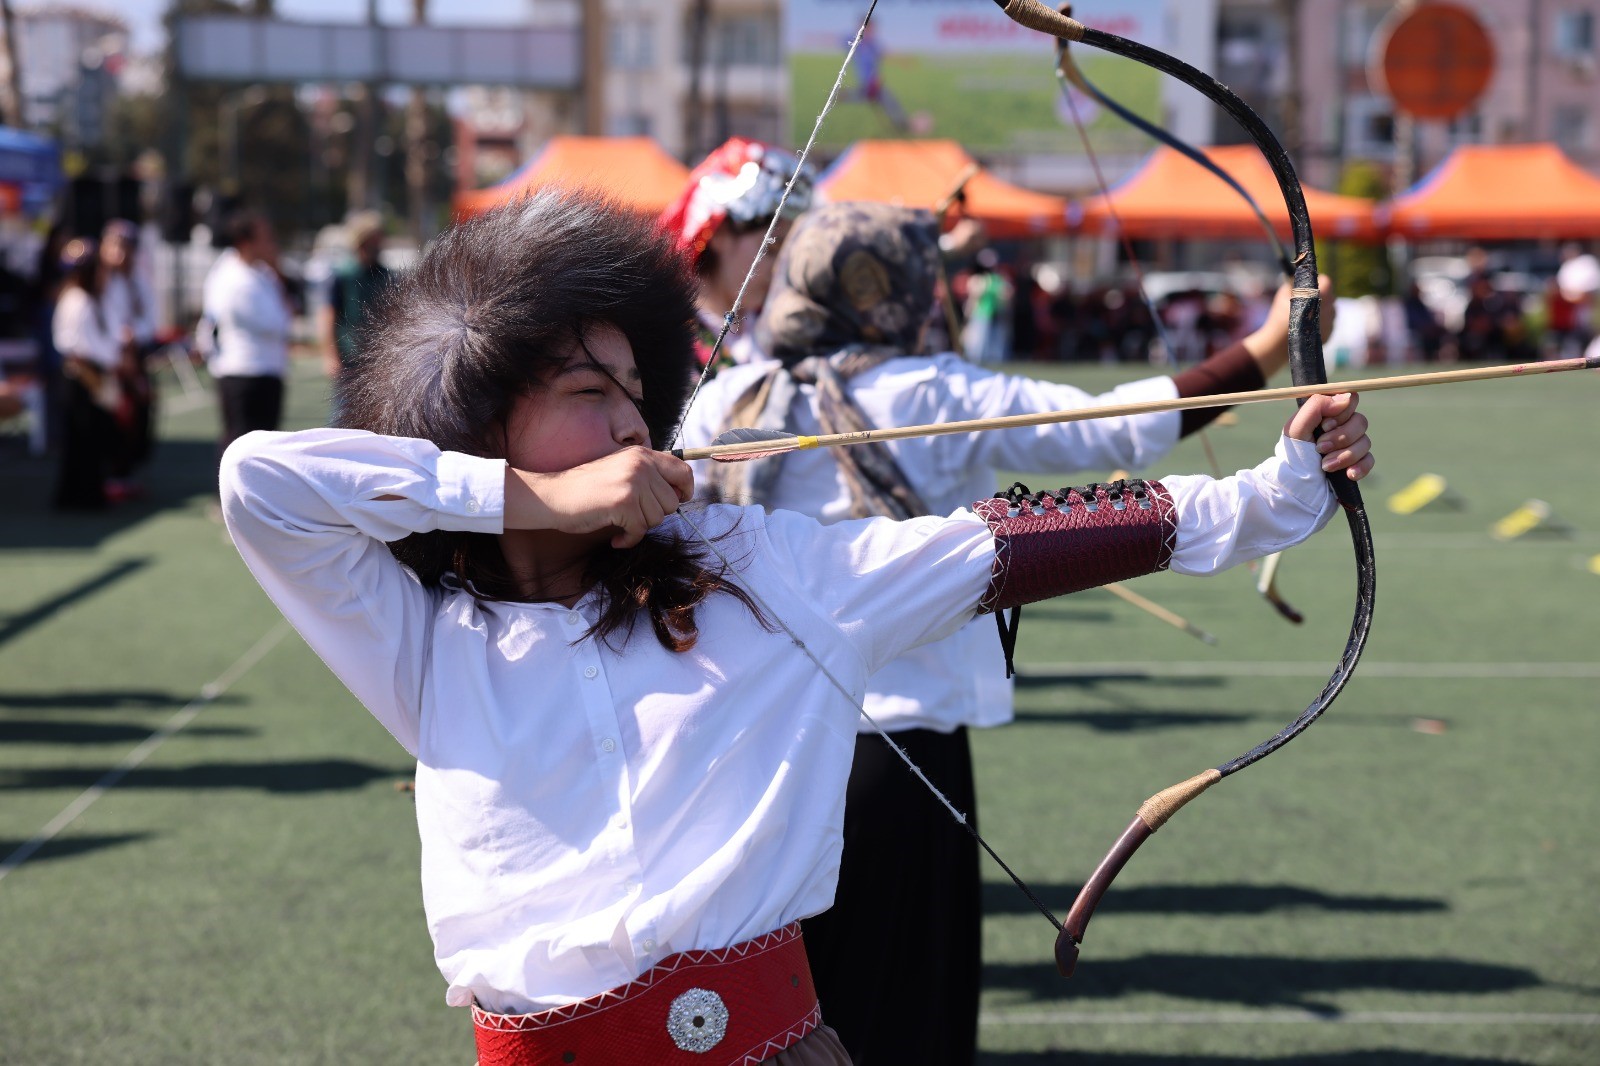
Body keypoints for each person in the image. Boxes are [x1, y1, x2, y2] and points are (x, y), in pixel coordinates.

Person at [219, 190, 1373, 1065]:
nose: (631, 417)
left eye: (636, 391)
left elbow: (999, 542)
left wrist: (1272, 496)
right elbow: (259, 483)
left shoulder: (755, 570)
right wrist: (537, 499)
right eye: (587, 390)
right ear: (480, 418)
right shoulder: (420, 642)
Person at [679, 201, 1352, 1065]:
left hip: (755, 751)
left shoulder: (729, 395)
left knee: (783, 1013)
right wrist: (1265, 346)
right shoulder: (929, 391)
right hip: (901, 754)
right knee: (903, 1018)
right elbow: (1111, 427)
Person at [659, 137, 814, 369]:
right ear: (720, 234)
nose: (780, 268)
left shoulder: (783, 331)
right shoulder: (668, 339)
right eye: (771, 249)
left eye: (790, 253)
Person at [202, 209, 293, 458]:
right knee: (242, 445)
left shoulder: (260, 272)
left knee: (263, 447)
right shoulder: (234, 278)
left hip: (265, 369)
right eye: (264, 237)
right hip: (244, 374)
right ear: (245, 242)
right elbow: (277, 324)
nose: (271, 243)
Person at [50, 238, 123, 509]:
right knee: (81, 439)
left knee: (93, 439)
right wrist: (97, 381)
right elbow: (75, 349)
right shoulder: (76, 300)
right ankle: (78, 497)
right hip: (82, 377)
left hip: (94, 373)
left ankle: (90, 493)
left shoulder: (92, 299)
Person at [100, 219, 158, 481]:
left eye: (126, 247)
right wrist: (120, 338)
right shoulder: (99, 279)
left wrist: (135, 334)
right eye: (115, 245)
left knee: (139, 416)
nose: (120, 253)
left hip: (135, 356)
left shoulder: (137, 278)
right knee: (112, 416)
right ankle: (111, 472)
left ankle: (127, 471)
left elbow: (151, 318)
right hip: (109, 359)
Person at [319, 210, 393, 385]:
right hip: (349, 357)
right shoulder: (343, 275)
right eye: (373, 240)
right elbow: (328, 315)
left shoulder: (386, 276)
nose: (378, 245)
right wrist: (330, 355)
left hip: (379, 359)